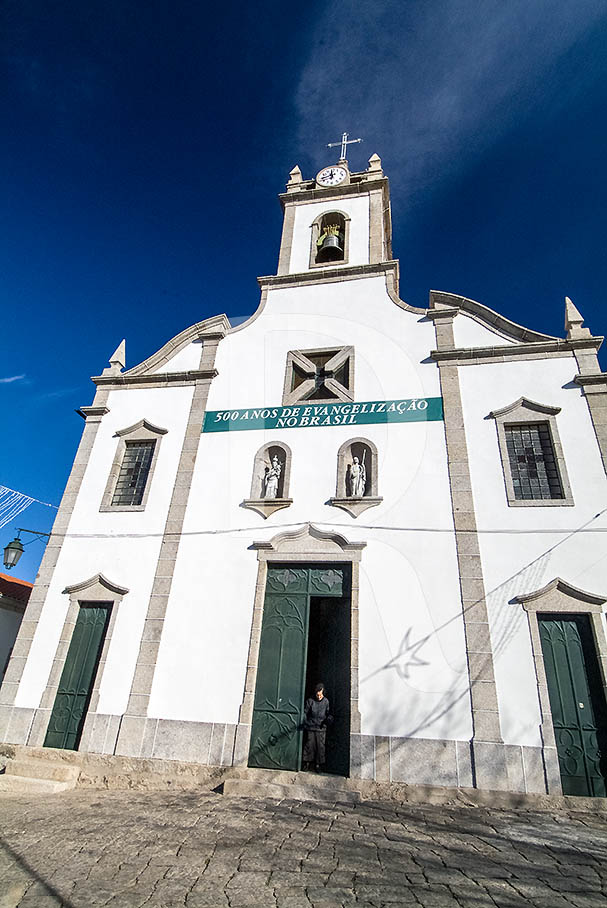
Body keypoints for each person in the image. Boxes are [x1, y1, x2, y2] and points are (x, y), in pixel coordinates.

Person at [302, 683, 332, 772]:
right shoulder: (310, 701)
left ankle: (318, 765)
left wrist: (328, 720)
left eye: (321, 695)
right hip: (311, 726)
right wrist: (306, 722)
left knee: (320, 746)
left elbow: (328, 713)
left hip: (321, 728)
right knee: (309, 745)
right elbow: (305, 712)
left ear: (323, 693)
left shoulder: (326, 701)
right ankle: (307, 763)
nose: (319, 697)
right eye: (317, 695)